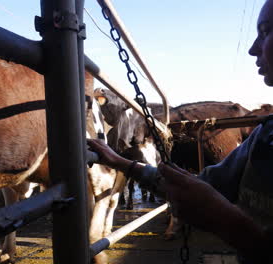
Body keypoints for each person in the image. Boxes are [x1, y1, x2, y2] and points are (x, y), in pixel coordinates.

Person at [88, 1, 273, 263]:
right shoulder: (263, 137)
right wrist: (121, 163)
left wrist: (223, 219)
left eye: (265, 31)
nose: (253, 49)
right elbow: (206, 185)